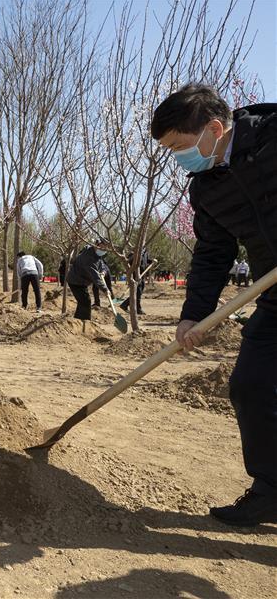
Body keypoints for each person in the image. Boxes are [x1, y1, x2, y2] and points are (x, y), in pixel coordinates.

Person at [152, 84, 277, 525]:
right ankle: (271, 490)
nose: (177, 158)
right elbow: (211, 255)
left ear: (214, 128)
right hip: (275, 295)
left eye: (178, 146)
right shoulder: (206, 188)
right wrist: (194, 314)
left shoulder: (273, 138)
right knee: (251, 384)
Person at [66, 243, 108, 322]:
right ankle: (85, 321)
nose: (103, 250)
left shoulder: (96, 254)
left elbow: (101, 263)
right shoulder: (88, 257)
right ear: (96, 245)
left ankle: (78, 320)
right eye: (102, 248)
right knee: (86, 301)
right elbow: (95, 276)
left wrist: (103, 271)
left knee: (83, 302)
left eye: (105, 249)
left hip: (82, 281)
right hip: (75, 280)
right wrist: (105, 289)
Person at [121, 249, 152, 315]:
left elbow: (146, 260)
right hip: (135, 276)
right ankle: (137, 309)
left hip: (142, 275)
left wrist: (151, 261)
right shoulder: (135, 250)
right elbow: (128, 262)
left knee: (139, 292)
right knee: (137, 292)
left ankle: (125, 305)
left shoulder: (145, 251)